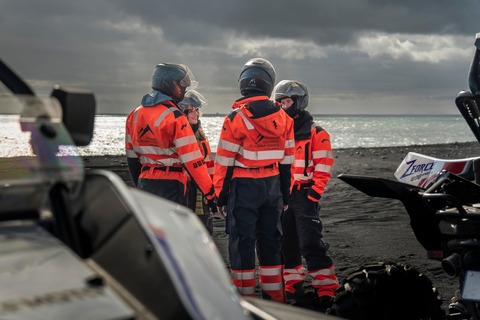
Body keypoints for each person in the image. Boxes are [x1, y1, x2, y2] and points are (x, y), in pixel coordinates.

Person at [213, 58, 295, 303]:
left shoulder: (234, 118)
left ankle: (244, 301)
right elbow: (287, 162)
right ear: (268, 84)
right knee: (271, 242)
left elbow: (224, 163)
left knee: (242, 243)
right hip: (272, 187)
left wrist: (221, 196)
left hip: (243, 187)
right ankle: (275, 300)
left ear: (244, 84)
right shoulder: (285, 119)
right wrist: (285, 196)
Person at [272, 80, 339, 309]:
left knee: (311, 243)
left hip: (304, 194)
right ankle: (292, 286)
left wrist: (314, 195)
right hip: (283, 195)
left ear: (299, 102)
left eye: (287, 101)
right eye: (280, 102)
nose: (283, 106)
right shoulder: (279, 132)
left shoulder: (316, 133)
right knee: (285, 243)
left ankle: (326, 288)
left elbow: (324, 164)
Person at [125, 63, 216, 210]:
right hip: (171, 184)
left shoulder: (134, 115)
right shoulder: (176, 117)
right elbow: (193, 162)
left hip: (145, 182)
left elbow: (132, 159)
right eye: (183, 86)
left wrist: (140, 185)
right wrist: (211, 194)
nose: (184, 90)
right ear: (170, 84)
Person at [178, 90, 215, 234]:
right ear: (182, 113)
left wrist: (213, 194)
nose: (195, 114)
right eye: (190, 111)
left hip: (202, 192)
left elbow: (210, 167)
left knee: (203, 232)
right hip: (184, 191)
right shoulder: (178, 136)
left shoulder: (202, 138)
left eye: (197, 110)